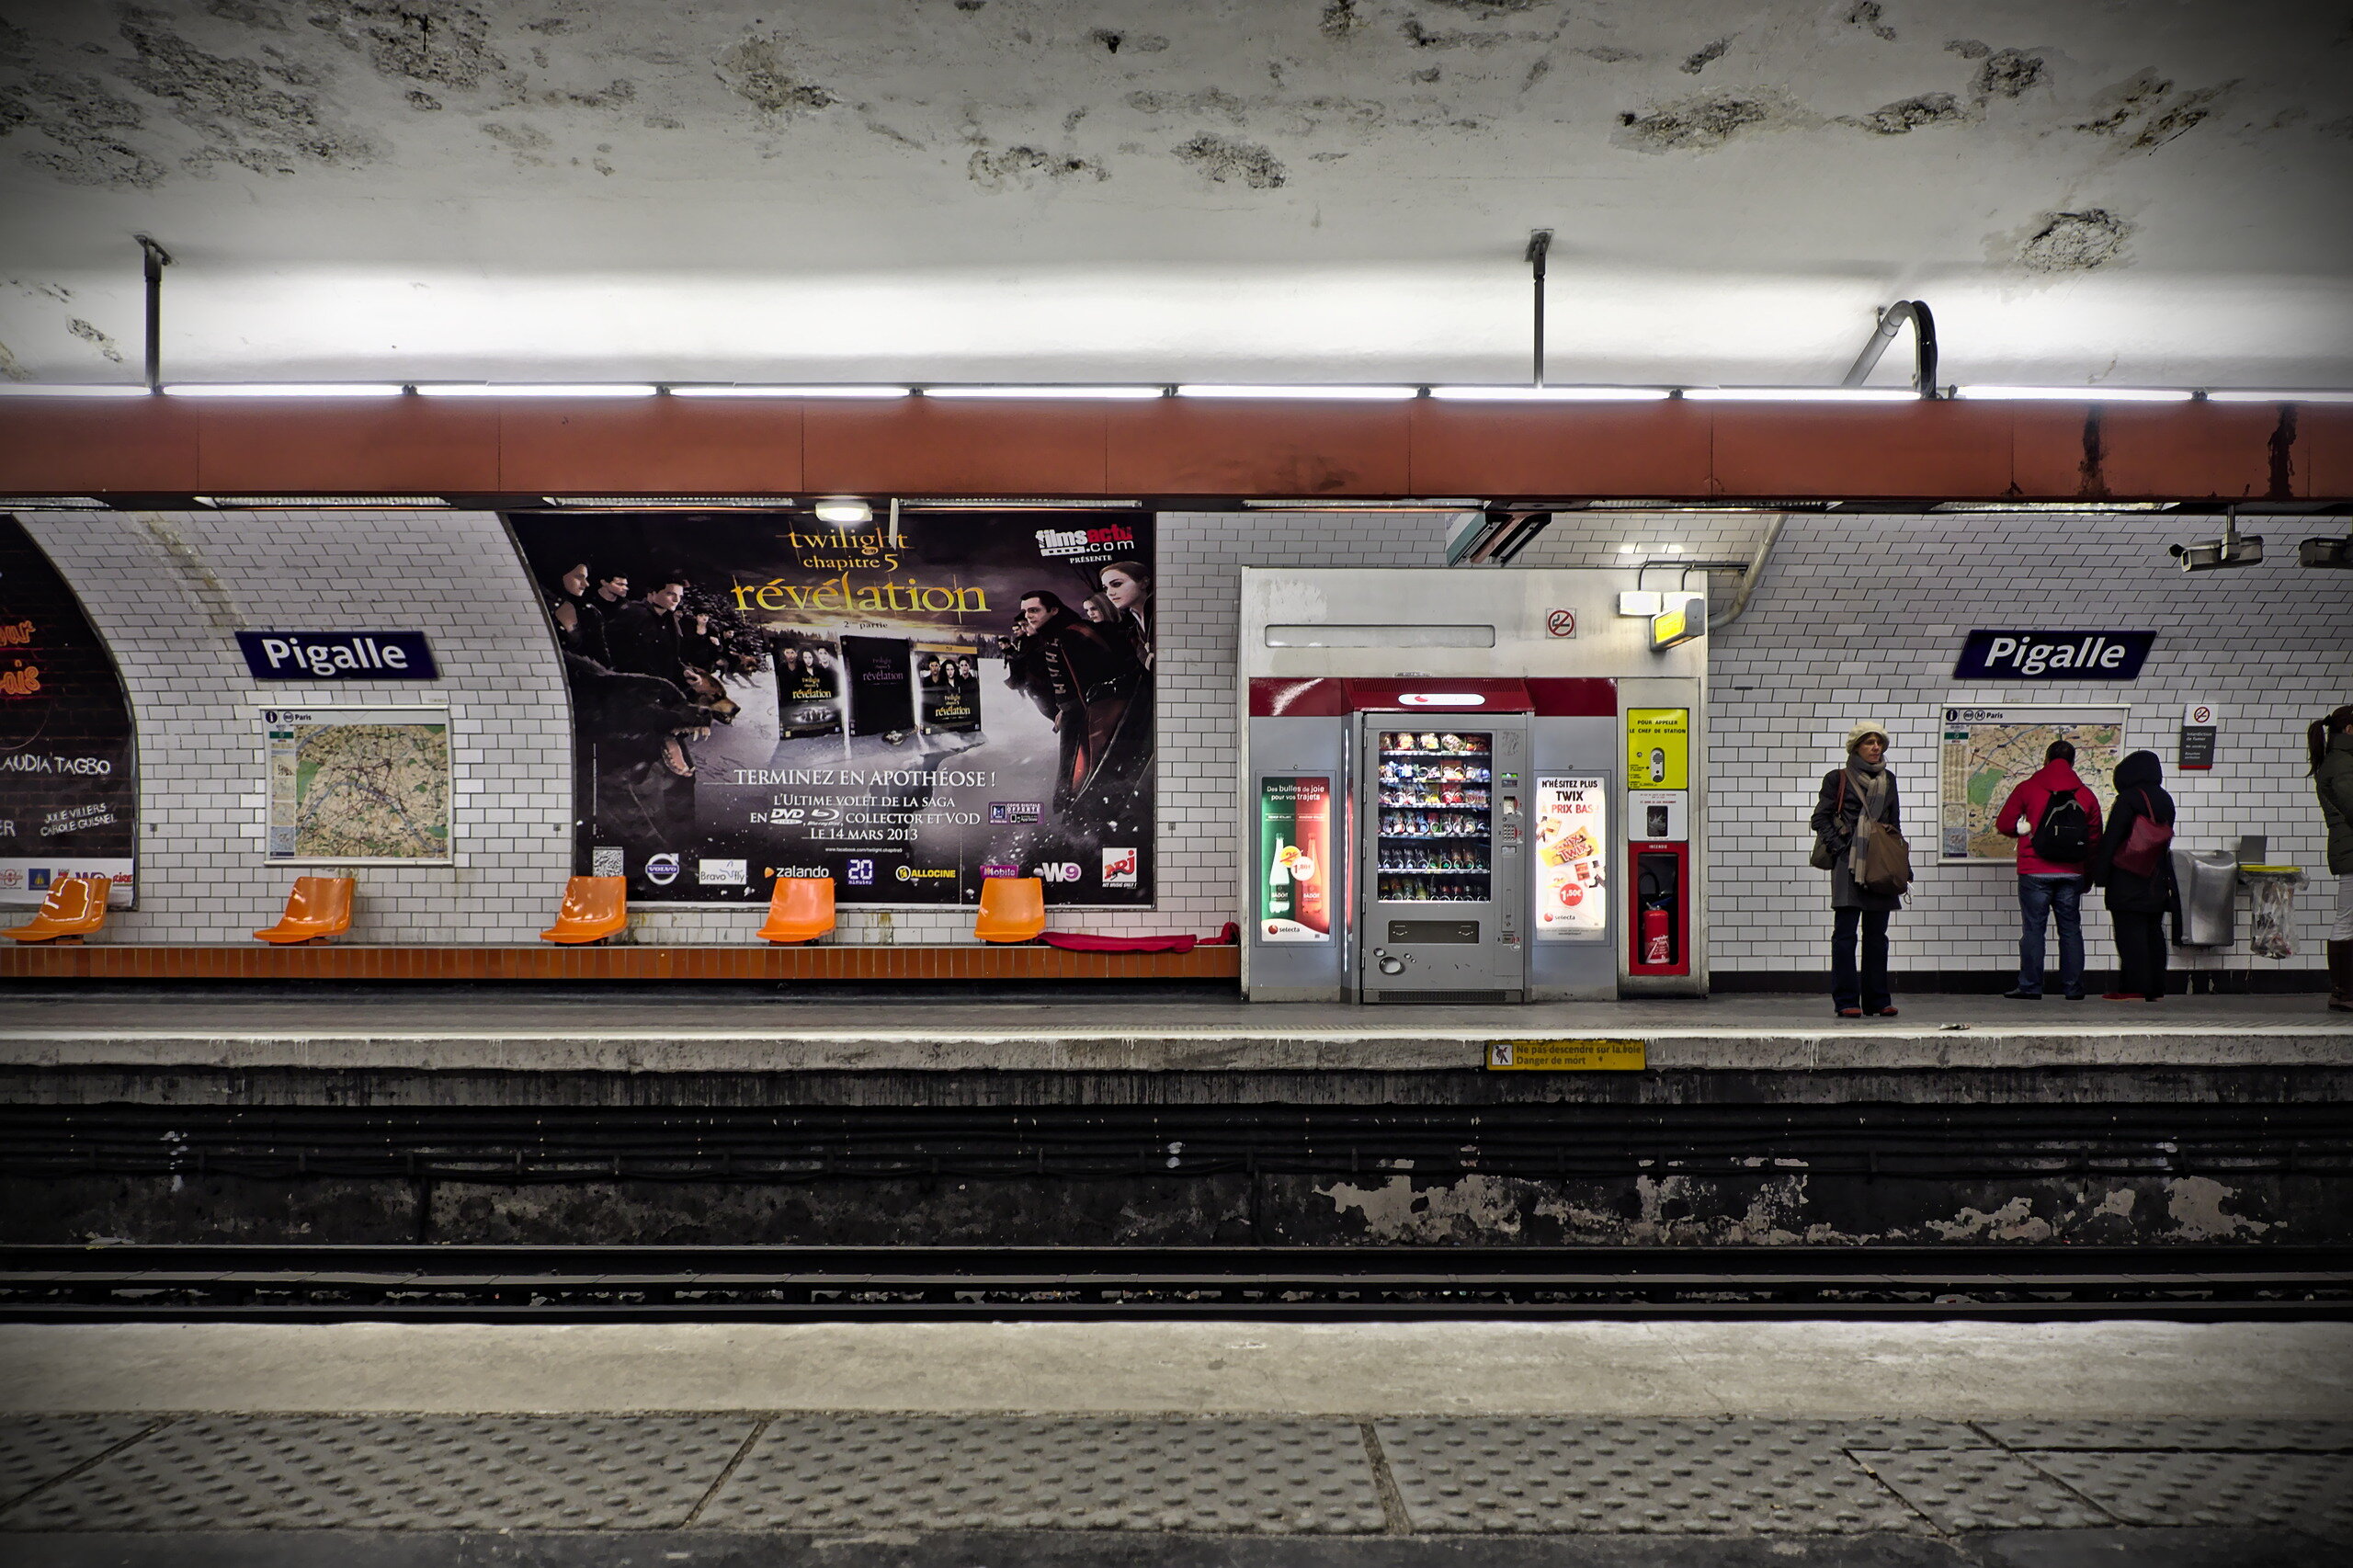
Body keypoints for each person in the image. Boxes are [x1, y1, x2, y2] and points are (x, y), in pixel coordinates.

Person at [1995, 739, 2102, 1001]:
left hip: (2034, 871)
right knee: (2070, 930)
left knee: (2034, 929)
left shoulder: (2027, 788)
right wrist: (2087, 875)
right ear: (2073, 762)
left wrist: (2021, 830)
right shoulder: (2086, 795)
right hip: (2072, 872)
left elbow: (2005, 823)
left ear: (2046, 760)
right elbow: (2095, 840)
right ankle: (2073, 988)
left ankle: (2031, 986)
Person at [1811, 721, 1902, 1018]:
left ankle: (1878, 1000)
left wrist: (1899, 861)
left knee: (1878, 936)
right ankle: (1847, 1000)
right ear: (1856, 747)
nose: (1876, 747)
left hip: (1879, 864)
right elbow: (1820, 818)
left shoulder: (1888, 780)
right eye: (1869, 742)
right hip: (1848, 863)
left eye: (1879, 742)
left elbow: (1894, 824)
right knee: (1846, 934)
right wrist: (1840, 849)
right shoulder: (1837, 779)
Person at [2091, 749, 2176, 1002]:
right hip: (2157, 876)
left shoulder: (2129, 799)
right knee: (2154, 931)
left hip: (2128, 876)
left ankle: (2133, 986)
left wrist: (2101, 874)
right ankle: (2156, 987)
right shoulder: (2165, 799)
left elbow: (2112, 839)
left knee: (2130, 933)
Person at [2313, 704, 2353, 1012]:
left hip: (2348, 847)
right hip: (2351, 849)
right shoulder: (2341, 763)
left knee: (2348, 919)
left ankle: (2344, 990)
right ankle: (2343, 991)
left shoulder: (2341, 761)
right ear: (2350, 729)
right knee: (2347, 920)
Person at [1098, 559, 1154, 669]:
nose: (1109, 593)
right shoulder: (1133, 624)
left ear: (1144, 582)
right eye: (1105, 588)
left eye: (1116, 584)